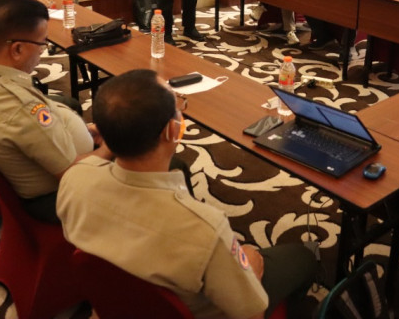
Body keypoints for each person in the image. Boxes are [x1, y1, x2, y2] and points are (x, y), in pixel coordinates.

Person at [57, 69, 317, 319]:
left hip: (112, 304)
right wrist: (250, 266)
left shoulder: (76, 177)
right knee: (302, 257)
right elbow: (250, 314)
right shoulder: (206, 228)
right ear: (172, 130)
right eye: (178, 106)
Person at [0, 0, 111, 223]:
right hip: (60, 196)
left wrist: (83, 130)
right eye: (41, 44)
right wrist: (112, 146)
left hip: (49, 163)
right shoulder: (20, 107)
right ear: (17, 49)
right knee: (163, 162)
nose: (42, 52)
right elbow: (72, 174)